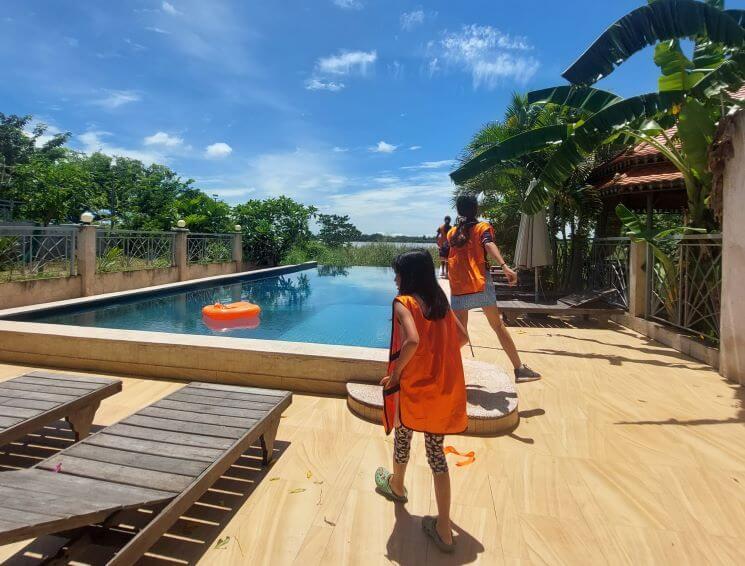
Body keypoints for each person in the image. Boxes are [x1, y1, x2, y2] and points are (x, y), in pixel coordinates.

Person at [375, 249, 469, 553]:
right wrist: (437, 352)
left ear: (409, 275)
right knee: (436, 455)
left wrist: (396, 373)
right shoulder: (440, 302)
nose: (395, 278)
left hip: (414, 389)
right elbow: (463, 337)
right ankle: (444, 529)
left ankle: (398, 486)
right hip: (441, 390)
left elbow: (412, 340)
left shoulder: (404, 303)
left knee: (403, 434)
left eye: (398, 273)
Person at [448, 195, 541, 383]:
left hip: (458, 285)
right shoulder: (482, 228)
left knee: (460, 334)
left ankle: (439, 365)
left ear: (458, 211)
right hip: (480, 283)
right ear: (477, 209)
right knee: (498, 326)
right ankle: (519, 370)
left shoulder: (452, 234)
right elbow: (488, 244)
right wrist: (504, 265)